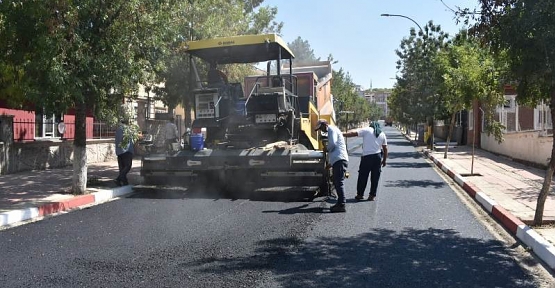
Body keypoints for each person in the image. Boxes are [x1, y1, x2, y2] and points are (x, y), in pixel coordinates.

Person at [343, 121, 388, 201]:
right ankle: (372, 195)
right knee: (375, 177)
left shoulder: (367, 130)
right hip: (377, 157)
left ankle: (360, 194)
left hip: (367, 157)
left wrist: (341, 134)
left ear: (371, 125)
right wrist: (384, 160)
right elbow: (385, 148)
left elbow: (353, 133)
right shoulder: (382, 134)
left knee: (363, 176)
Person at [315, 119, 349, 213]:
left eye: (321, 128)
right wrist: (330, 164)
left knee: (339, 182)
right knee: (337, 182)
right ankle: (339, 203)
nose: (321, 131)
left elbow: (333, 144)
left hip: (340, 160)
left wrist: (326, 148)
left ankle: (342, 205)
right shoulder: (331, 131)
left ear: (324, 125)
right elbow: (334, 150)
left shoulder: (332, 130)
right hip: (338, 160)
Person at [114, 119, 135, 186]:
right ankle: (118, 179)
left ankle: (124, 182)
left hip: (119, 151)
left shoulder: (118, 129)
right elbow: (131, 139)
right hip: (127, 150)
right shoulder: (127, 129)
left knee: (122, 167)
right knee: (128, 166)